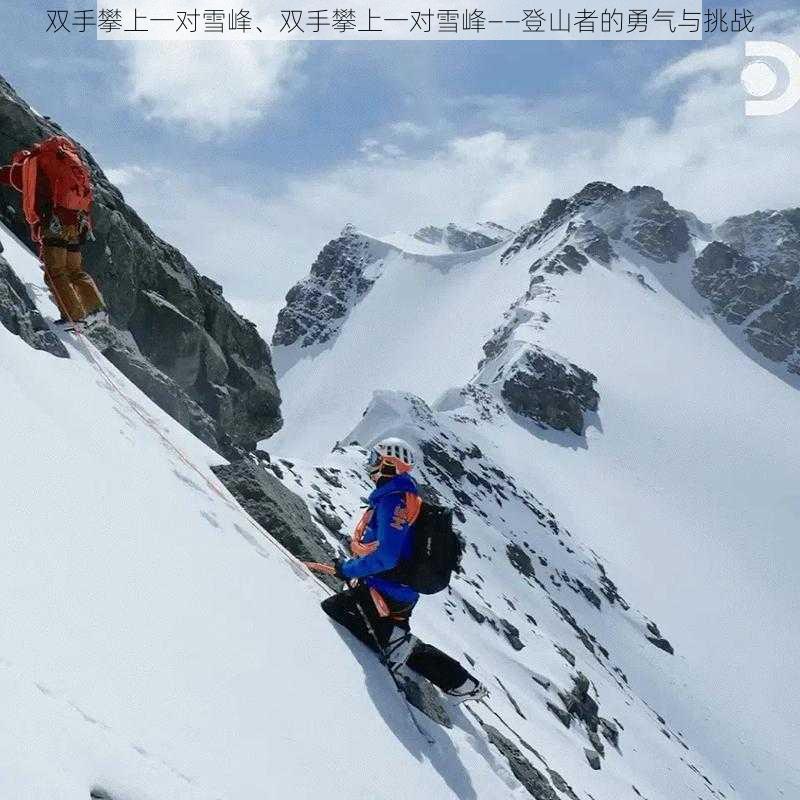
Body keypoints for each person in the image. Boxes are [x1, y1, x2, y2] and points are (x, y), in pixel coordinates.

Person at [321, 437, 487, 702]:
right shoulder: (399, 497)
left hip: (387, 590)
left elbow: (386, 556)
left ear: (390, 465)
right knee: (392, 633)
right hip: (396, 589)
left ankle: (399, 645)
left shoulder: (394, 501)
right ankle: (462, 683)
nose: (370, 466)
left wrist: (350, 569)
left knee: (337, 609)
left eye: (376, 460)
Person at [0, 136, 106, 328]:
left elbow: (7, 175)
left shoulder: (30, 166)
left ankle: (74, 317)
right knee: (74, 270)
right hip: (77, 223)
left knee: (54, 271)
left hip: (55, 223)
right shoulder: (59, 164)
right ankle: (96, 309)